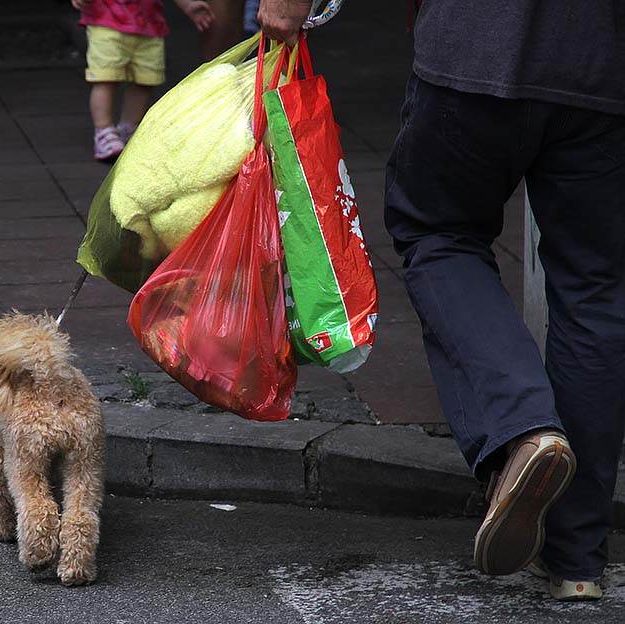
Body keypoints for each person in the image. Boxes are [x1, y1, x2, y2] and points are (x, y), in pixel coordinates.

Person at [259, 0, 625, 603]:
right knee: (594, 289)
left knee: (439, 235)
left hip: (476, 48)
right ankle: (577, 557)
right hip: (601, 67)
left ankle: (524, 429)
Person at [72, 0, 214, 162]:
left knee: (146, 79)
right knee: (105, 77)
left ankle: (128, 127)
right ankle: (103, 131)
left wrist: (188, 5)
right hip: (107, 21)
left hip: (149, 26)